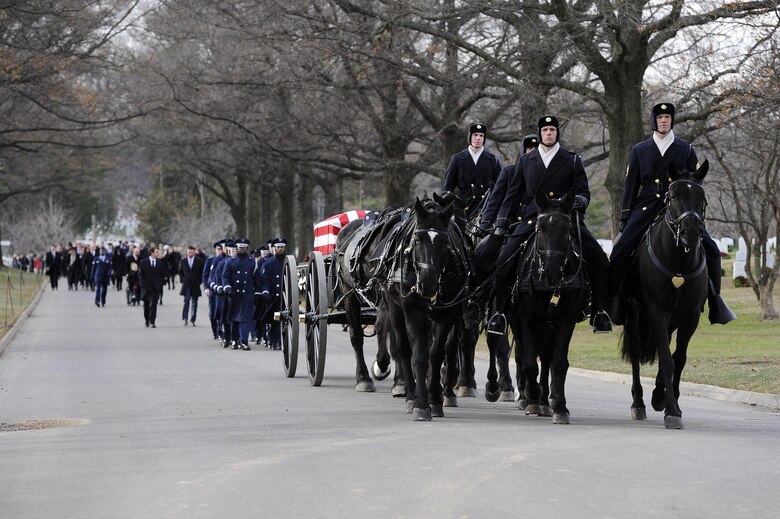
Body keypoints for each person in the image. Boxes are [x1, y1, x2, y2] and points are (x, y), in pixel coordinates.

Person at [609, 102, 735, 325]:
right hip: (647, 205)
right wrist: (625, 217)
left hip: (680, 208)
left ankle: (715, 301)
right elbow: (631, 186)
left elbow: (695, 181)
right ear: (654, 121)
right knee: (620, 249)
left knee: (713, 251)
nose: (664, 121)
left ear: (672, 120)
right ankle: (614, 302)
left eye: (667, 117)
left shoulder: (685, 149)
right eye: (660, 118)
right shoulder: (640, 150)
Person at [487, 115, 613, 334]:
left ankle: (599, 312)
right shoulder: (526, 160)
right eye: (545, 130)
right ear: (540, 134)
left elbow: (583, 190)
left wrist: (580, 201)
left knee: (600, 260)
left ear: (557, 134)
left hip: (566, 218)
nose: (548, 133)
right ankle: (499, 313)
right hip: (533, 219)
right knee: (504, 259)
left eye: (552, 130)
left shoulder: (572, 159)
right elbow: (513, 193)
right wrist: (501, 223)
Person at [443, 123, 503, 220]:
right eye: (475, 135)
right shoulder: (457, 159)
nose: (478, 138)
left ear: (484, 139)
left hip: (485, 208)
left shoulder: (493, 160)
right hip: (462, 208)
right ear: (470, 137)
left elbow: (500, 187)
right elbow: (448, 189)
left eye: (481, 135)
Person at [221, 238, 262, 350]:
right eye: (240, 247)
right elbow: (225, 277)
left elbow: (256, 279)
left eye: (244, 247)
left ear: (247, 248)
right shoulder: (230, 262)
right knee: (234, 318)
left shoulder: (252, 262)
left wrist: (258, 293)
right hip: (234, 294)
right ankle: (235, 340)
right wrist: (228, 288)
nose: (242, 249)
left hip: (247, 294)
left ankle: (244, 341)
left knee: (245, 319)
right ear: (237, 248)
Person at [259, 238, 288, 350]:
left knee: (284, 321)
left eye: (282, 247)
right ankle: (273, 340)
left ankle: (282, 342)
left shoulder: (289, 261)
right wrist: (265, 291)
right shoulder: (269, 263)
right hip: (274, 296)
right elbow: (264, 279)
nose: (280, 249)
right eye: (278, 247)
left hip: (286, 296)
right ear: (275, 248)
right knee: (274, 321)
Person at [203, 240, 225, 340]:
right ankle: (215, 331)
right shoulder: (211, 260)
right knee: (212, 313)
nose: (220, 251)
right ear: (215, 250)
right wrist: (206, 287)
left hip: (222, 291)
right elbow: (206, 275)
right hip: (212, 290)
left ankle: (222, 331)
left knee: (222, 312)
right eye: (218, 249)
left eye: (221, 249)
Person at [139, 246, 166, 327]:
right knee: (146, 305)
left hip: (155, 288)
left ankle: (152, 321)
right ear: (152, 252)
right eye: (156, 252)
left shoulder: (160, 263)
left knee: (153, 305)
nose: (158, 253)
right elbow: (140, 274)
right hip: (146, 287)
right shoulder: (143, 262)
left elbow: (162, 275)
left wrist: (160, 284)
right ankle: (146, 320)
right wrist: (142, 284)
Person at [179, 245, 204, 326]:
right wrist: (183, 280)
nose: (190, 254)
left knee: (195, 302)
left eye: (192, 252)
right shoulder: (183, 261)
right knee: (186, 301)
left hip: (195, 284)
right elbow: (180, 271)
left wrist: (199, 281)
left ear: (194, 252)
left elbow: (202, 272)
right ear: (187, 252)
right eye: (189, 252)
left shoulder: (199, 261)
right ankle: (185, 318)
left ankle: (193, 319)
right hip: (186, 284)